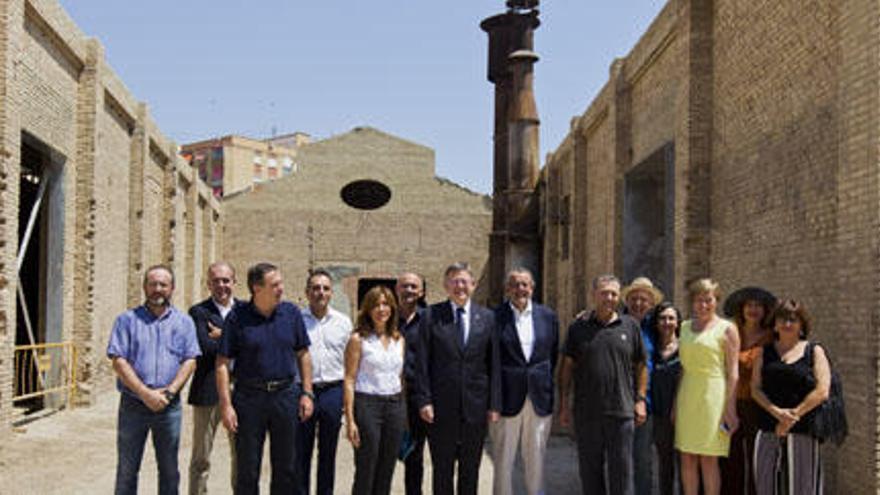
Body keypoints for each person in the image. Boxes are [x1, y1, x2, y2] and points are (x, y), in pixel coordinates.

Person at [216, 262, 315, 494]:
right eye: (275, 284)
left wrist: (307, 393)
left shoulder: (291, 313)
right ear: (257, 288)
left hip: (286, 396)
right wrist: (226, 405)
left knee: (286, 467)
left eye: (280, 283)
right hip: (249, 398)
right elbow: (222, 363)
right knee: (247, 468)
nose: (282, 288)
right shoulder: (237, 317)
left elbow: (303, 354)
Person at [106, 265, 201, 495]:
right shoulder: (126, 320)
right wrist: (145, 393)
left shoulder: (184, 322)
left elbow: (190, 359)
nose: (157, 289)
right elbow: (119, 360)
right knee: (128, 469)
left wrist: (169, 392)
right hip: (133, 406)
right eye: (153, 284)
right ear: (144, 287)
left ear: (172, 288)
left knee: (169, 470)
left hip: (169, 407)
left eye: (163, 284)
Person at [414, 262, 501, 495]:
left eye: (464, 281)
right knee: (442, 468)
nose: (459, 286)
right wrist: (424, 400)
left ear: (473, 285)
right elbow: (422, 362)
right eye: (454, 280)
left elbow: (493, 364)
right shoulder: (431, 316)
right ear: (445, 285)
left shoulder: (488, 318)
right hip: (440, 407)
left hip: (476, 407)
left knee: (470, 468)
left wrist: (494, 404)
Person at [559, 274, 648, 495]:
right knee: (590, 473)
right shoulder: (578, 327)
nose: (609, 297)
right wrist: (563, 403)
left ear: (619, 297)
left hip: (622, 412)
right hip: (587, 414)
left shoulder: (630, 326)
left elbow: (642, 365)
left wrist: (640, 399)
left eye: (613, 293)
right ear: (594, 295)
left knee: (622, 474)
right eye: (604, 293)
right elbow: (567, 367)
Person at [490, 267, 559, 495]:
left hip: (539, 397)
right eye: (515, 284)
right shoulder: (494, 318)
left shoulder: (548, 316)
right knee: (503, 458)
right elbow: (490, 362)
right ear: (507, 289)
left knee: (536, 456)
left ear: (532, 288)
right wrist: (493, 402)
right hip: (507, 399)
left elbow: (552, 355)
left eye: (525, 284)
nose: (520, 289)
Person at [751, 299, 830, 495]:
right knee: (765, 484)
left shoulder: (814, 351)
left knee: (803, 488)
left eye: (793, 319)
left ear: (802, 324)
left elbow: (822, 390)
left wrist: (791, 417)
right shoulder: (765, 352)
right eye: (782, 319)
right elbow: (755, 388)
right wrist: (777, 413)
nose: (787, 324)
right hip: (768, 427)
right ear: (775, 324)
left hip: (803, 430)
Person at [675, 278, 740, 495]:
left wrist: (730, 409)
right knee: (687, 456)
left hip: (713, 396)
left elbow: (733, 372)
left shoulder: (727, 329)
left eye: (708, 300)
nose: (703, 305)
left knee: (709, 459)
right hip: (688, 395)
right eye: (698, 300)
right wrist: (676, 404)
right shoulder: (683, 328)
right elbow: (683, 369)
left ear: (716, 301)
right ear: (692, 302)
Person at [343, 285, 406, 495]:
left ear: (392, 309)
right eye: (376, 304)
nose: (381, 309)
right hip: (367, 405)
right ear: (368, 309)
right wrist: (350, 420)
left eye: (386, 304)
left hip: (394, 406)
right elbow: (349, 379)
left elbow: (400, 377)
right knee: (366, 468)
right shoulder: (358, 339)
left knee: (387, 468)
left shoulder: (399, 340)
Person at [187, 262, 241, 494]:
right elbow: (205, 347)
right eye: (216, 281)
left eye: (226, 280)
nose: (221, 285)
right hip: (207, 390)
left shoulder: (246, 310)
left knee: (242, 455)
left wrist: (223, 335)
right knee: (201, 457)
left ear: (234, 282)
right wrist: (237, 340)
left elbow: (256, 347)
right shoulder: (198, 312)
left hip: (241, 391)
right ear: (208, 284)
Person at [297, 268, 351, 495]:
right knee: (300, 452)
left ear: (331, 293)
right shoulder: (297, 320)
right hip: (302, 391)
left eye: (325, 288)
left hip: (332, 391)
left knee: (328, 452)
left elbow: (350, 361)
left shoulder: (343, 323)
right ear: (307, 292)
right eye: (316, 288)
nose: (321, 292)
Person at [721, 287, 776, 495]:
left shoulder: (770, 337)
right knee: (730, 458)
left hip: (756, 405)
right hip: (730, 403)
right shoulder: (730, 333)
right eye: (749, 305)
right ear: (741, 309)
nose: (753, 310)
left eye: (758, 306)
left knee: (756, 458)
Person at [621, 276, 663, 495]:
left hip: (645, 404)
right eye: (634, 298)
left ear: (651, 303)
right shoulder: (615, 323)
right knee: (620, 459)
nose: (638, 303)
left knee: (643, 458)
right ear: (626, 301)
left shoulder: (655, 328)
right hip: (618, 402)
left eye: (644, 300)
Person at [396, 272, 428, 495]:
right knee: (384, 454)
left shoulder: (430, 320)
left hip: (419, 397)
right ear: (397, 289)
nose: (409, 290)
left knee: (415, 456)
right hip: (388, 396)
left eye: (413, 287)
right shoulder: (385, 317)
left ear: (422, 292)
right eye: (404, 286)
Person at [649, 302, 682, 495]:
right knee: (665, 462)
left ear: (678, 322)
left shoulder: (686, 347)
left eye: (671, 318)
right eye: (662, 318)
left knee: (685, 462)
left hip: (683, 413)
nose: (667, 322)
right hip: (660, 414)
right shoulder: (651, 347)